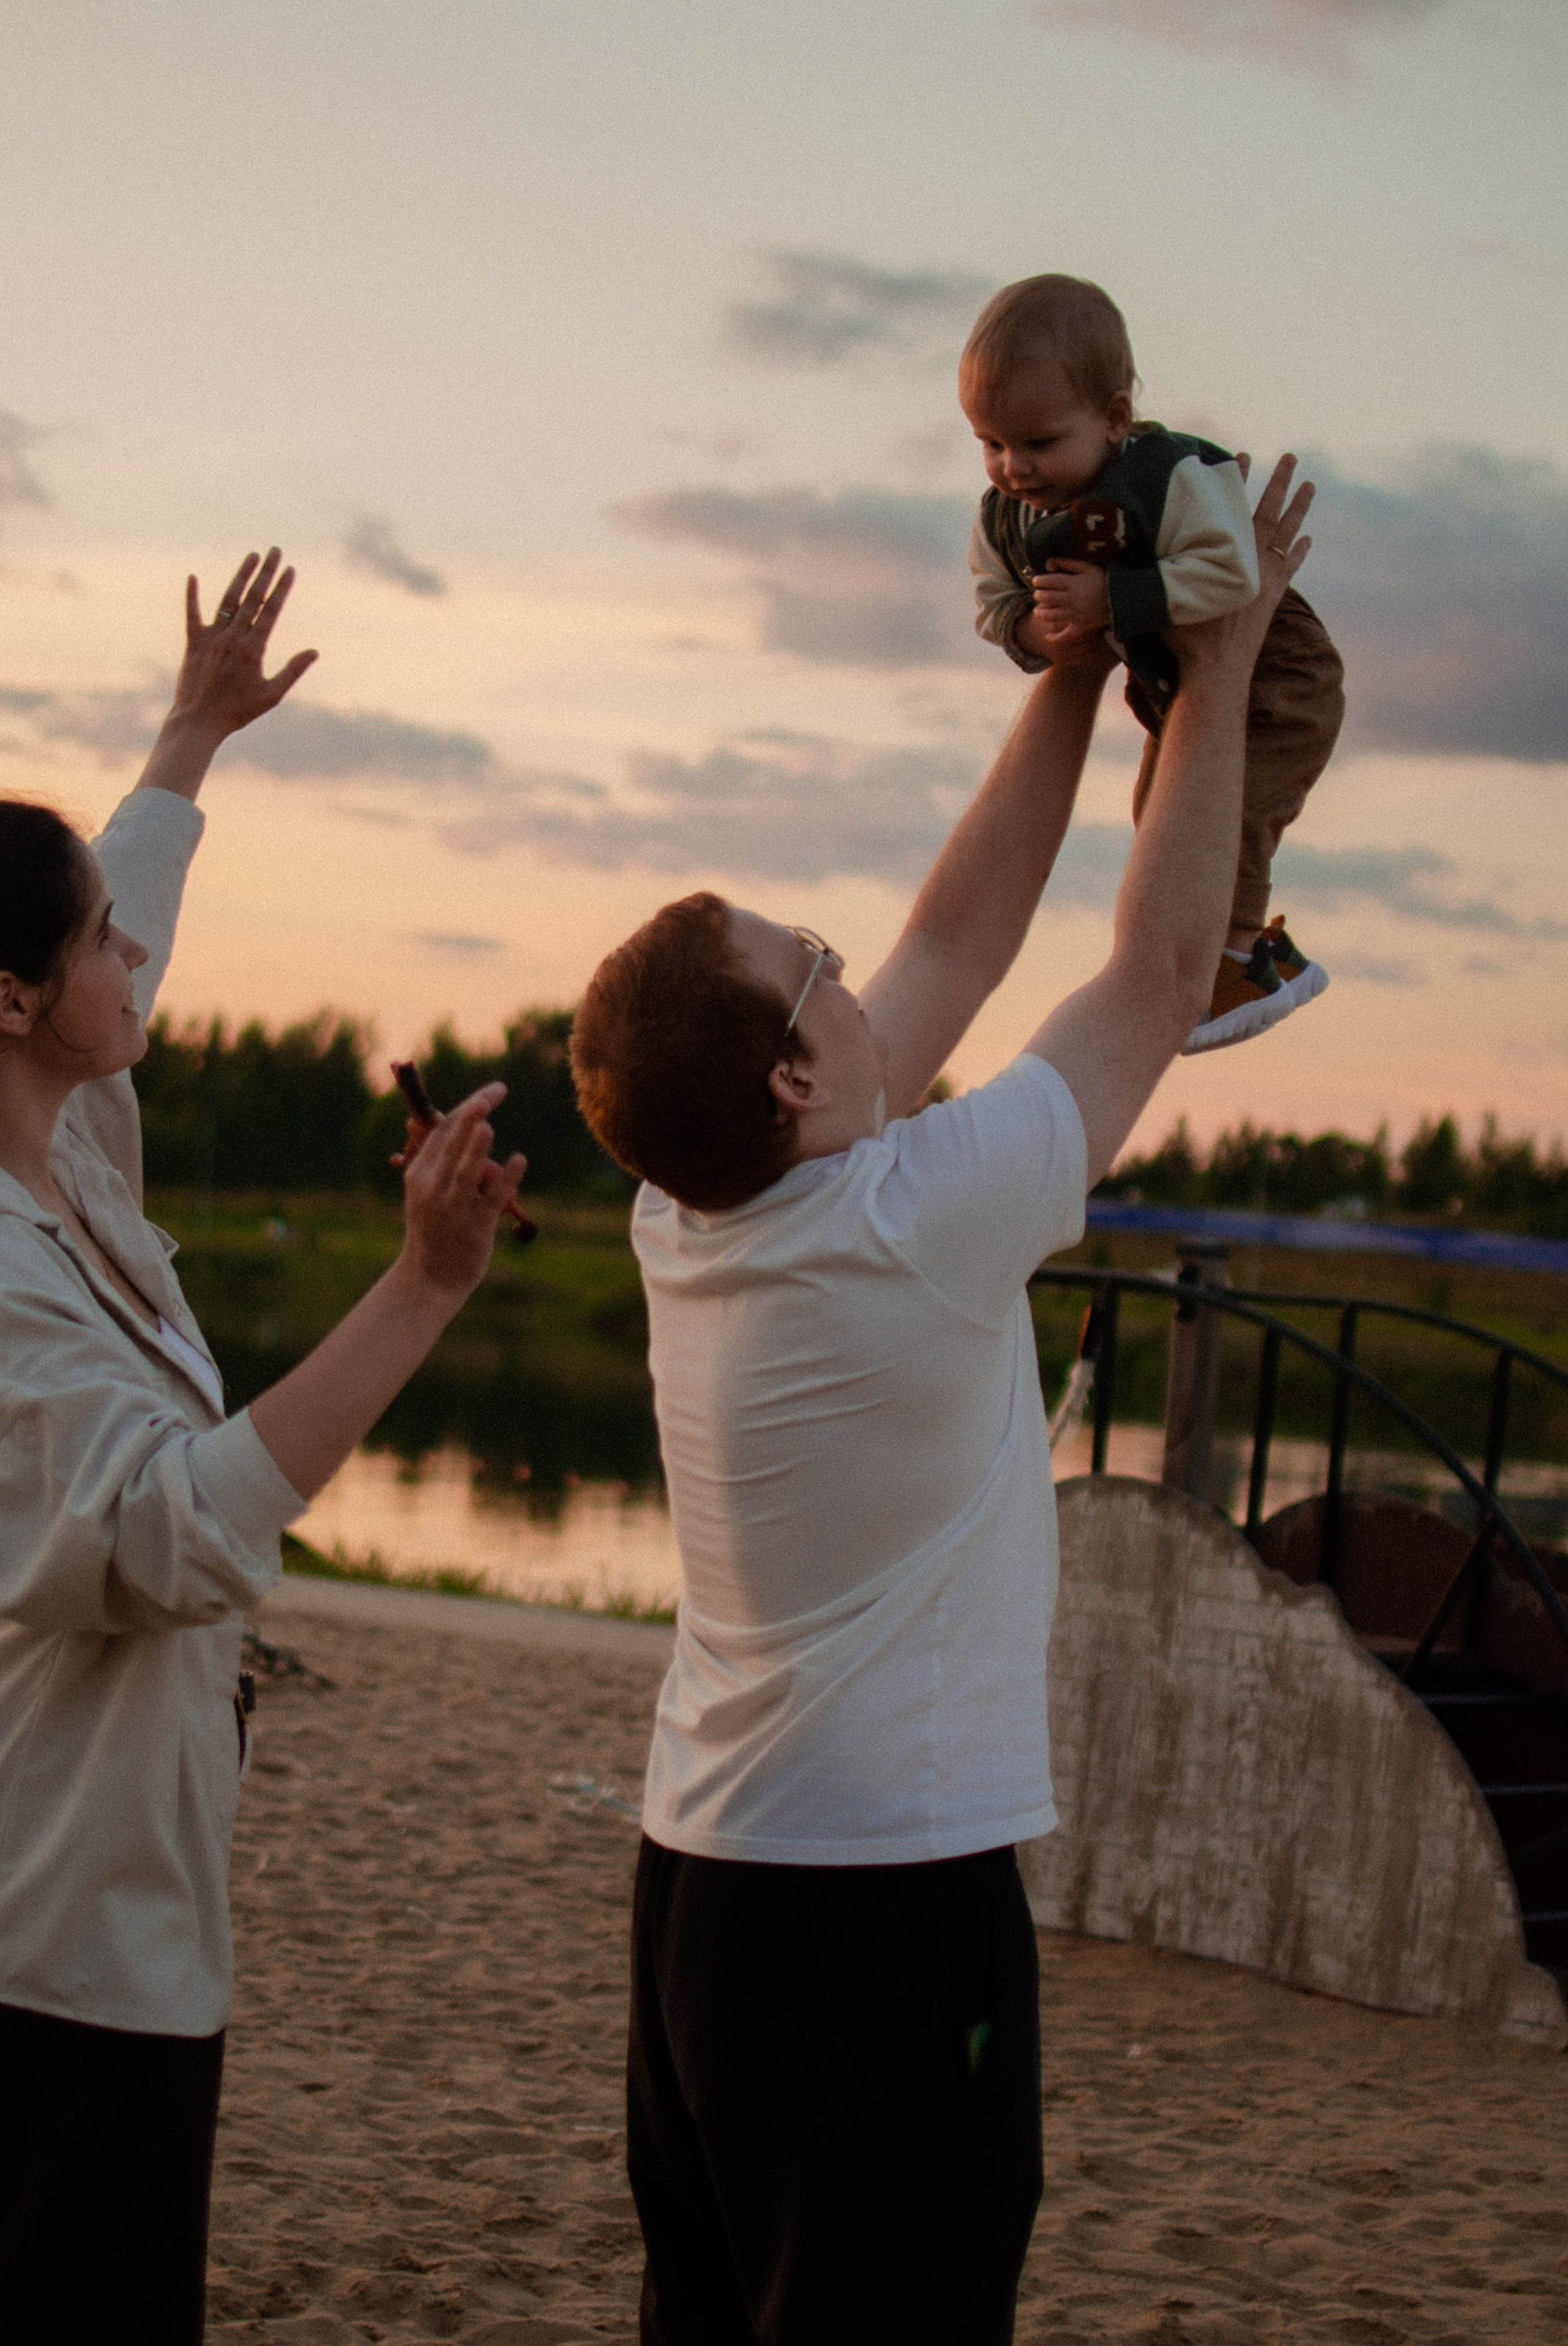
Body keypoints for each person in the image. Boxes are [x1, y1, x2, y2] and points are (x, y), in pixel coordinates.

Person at [0, 551, 526, 2345]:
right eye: (88, 942)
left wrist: (188, 738)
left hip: (77, 1917)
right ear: (7, 1000)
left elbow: (120, 897)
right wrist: (422, 1287)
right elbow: (167, 1540)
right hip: (21, 1939)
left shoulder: (42, 1157)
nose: (128, 952)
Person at [570, 465, 1315, 2344]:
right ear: (805, 1086)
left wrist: (1067, 658)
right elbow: (1150, 970)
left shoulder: (690, 1203)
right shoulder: (908, 1219)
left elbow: (963, 939)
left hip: (707, 1889)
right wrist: (1212, 663)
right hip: (870, 1908)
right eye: (813, 973)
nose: (847, 965)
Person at [961, 273, 1344, 1055]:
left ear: (1113, 419)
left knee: (1230, 811)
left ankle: (1241, 958)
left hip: (1278, 672)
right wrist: (1040, 633)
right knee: (1162, 821)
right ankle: (1225, 961)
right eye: (990, 444)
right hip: (1173, 685)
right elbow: (992, 601)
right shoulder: (1007, 517)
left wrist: (1114, 598)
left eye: (1038, 442)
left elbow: (1234, 573)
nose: (1013, 467)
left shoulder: (1166, 476)